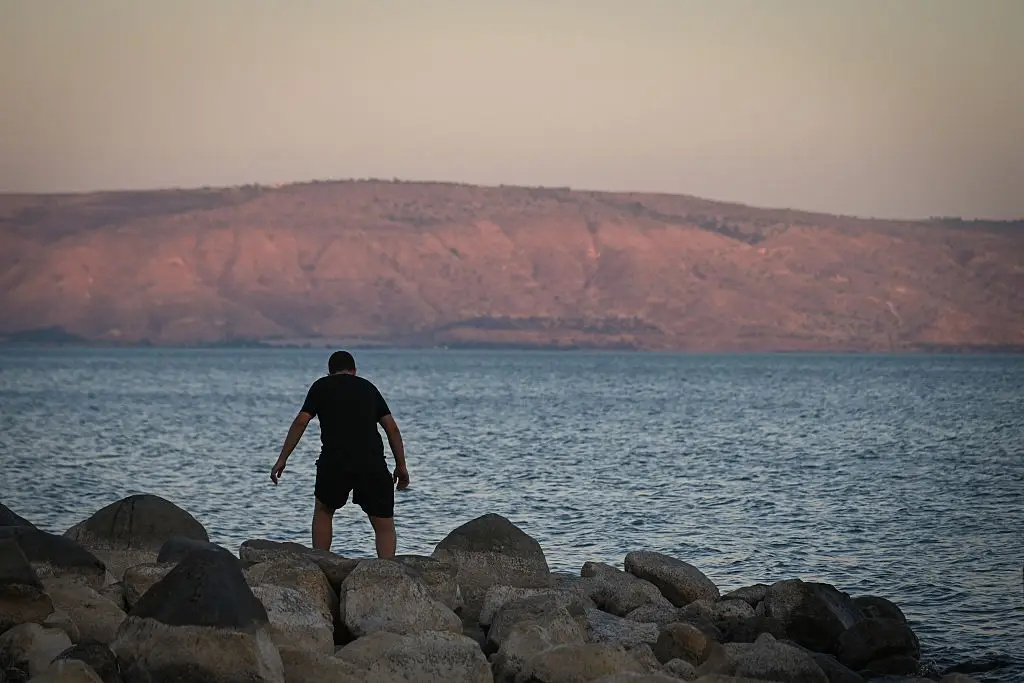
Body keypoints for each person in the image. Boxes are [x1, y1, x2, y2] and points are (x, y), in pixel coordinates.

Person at [270, 350, 409, 557]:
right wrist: (401, 466)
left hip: (334, 461)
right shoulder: (368, 388)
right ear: (354, 371)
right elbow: (392, 428)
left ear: (329, 372)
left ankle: (321, 563)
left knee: (324, 511)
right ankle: (388, 572)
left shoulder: (321, 387)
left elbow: (301, 421)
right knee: (384, 523)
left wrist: (282, 459)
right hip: (371, 462)